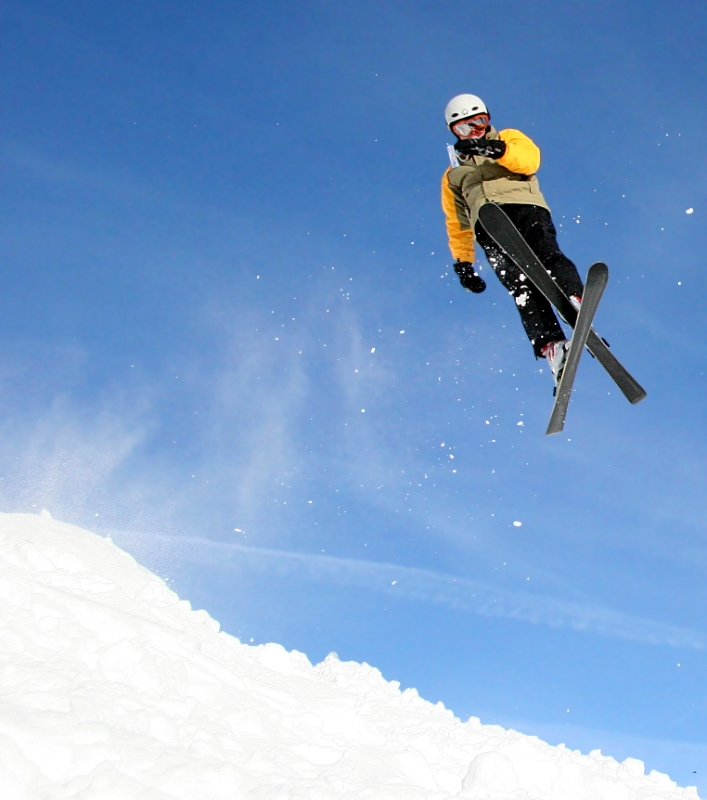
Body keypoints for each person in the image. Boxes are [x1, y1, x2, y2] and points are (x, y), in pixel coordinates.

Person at [440, 93, 585, 386]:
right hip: (489, 224)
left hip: (523, 207)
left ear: (488, 119)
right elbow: (457, 222)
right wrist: (463, 262)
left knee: (547, 255)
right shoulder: (453, 174)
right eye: (465, 128)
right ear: (454, 132)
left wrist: (495, 149)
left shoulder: (509, 138)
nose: (475, 132)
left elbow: (530, 161)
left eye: (479, 123)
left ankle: (574, 298)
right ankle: (552, 347)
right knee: (519, 286)